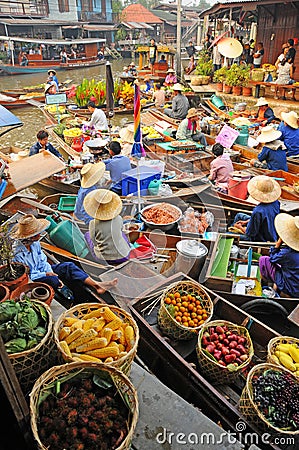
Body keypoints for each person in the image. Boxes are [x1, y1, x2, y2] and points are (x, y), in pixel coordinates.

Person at [12, 214, 117, 296]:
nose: (39, 235)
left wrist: (49, 270)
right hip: (34, 278)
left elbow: (43, 260)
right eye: (36, 234)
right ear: (29, 237)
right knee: (53, 280)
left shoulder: (35, 243)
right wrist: (46, 275)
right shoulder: (17, 253)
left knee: (68, 266)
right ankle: (62, 292)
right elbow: (27, 275)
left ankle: (97, 285)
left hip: (44, 271)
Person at [84, 189, 131, 264]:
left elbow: (94, 242)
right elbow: (121, 229)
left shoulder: (93, 223)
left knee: (87, 235)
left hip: (103, 258)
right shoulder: (119, 218)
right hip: (124, 256)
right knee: (121, 234)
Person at [259, 213, 299, 297]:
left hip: (292, 288)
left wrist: (277, 245)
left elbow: (272, 259)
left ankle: (264, 284)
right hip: (295, 280)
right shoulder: (288, 253)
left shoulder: (287, 254)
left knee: (264, 260)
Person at [231, 176, 281, 242]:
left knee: (228, 234)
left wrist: (239, 227)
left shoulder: (258, 211)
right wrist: (246, 222)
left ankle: (231, 229)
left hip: (261, 237)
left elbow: (250, 233)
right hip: (270, 229)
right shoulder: (276, 202)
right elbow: (265, 220)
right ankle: (233, 226)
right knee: (239, 215)